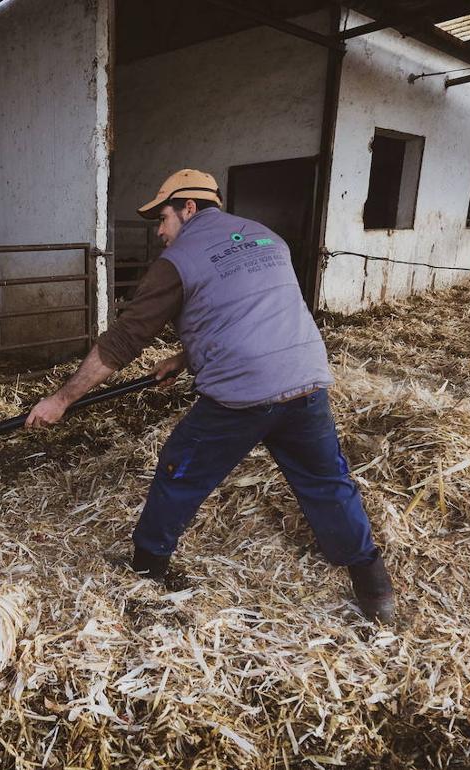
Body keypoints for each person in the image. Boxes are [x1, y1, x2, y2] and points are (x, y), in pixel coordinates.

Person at [24, 169, 395, 623]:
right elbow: (246, 310)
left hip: (242, 394)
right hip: (307, 380)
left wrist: (61, 400)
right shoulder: (267, 238)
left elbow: (123, 341)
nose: (160, 232)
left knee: (180, 470)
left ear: (190, 208)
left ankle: (147, 567)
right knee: (326, 482)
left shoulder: (178, 259)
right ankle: (374, 586)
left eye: (162, 218)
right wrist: (184, 357)